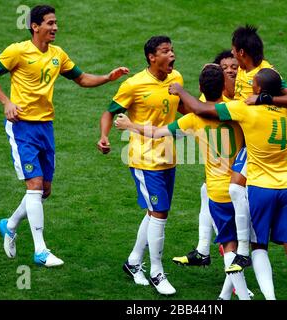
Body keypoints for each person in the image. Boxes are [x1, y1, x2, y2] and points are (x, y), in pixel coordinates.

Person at [0, 5, 129, 268]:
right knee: (34, 186)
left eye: (56, 23)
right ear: (35, 26)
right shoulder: (17, 51)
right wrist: (6, 102)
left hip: (46, 127)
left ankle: (10, 224)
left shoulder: (58, 54)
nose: (55, 28)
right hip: (22, 126)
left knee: (44, 191)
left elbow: (81, 79)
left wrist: (108, 77)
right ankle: (41, 250)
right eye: (49, 23)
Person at [168, 67, 287, 300]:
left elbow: (199, 108)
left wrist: (180, 90)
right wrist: (268, 94)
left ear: (259, 89)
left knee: (258, 248)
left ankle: (270, 298)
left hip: (260, 189)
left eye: (253, 83)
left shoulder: (245, 110)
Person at [115, 64, 251, 300]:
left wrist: (129, 126)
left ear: (200, 88)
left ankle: (240, 295)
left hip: (217, 192)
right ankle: (228, 295)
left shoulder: (191, 119)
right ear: (224, 87)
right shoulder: (237, 110)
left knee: (229, 246)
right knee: (246, 246)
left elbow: (156, 133)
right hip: (246, 187)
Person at [97, 35, 187, 295]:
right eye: (165, 51)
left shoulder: (176, 79)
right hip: (144, 160)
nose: (172, 55)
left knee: (155, 212)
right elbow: (109, 112)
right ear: (152, 57)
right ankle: (157, 272)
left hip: (168, 157)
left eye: (172, 50)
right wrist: (104, 137)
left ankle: (134, 262)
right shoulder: (133, 84)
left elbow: (181, 108)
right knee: (160, 213)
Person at [172, 50, 239, 268]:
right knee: (206, 192)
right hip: (222, 172)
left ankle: (237, 278)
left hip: (242, 172)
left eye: (234, 66)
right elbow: (193, 112)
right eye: (224, 67)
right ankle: (203, 251)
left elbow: (195, 111)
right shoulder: (212, 97)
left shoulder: (241, 99)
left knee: (243, 240)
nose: (230, 70)